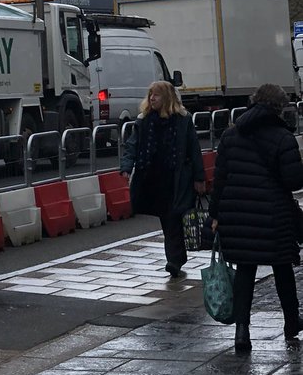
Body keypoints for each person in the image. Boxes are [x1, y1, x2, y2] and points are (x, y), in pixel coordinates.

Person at [209, 83, 303, 354]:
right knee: (283, 268)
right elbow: (293, 181)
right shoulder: (283, 138)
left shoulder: (231, 134)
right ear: (278, 107)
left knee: (245, 272)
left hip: (237, 215)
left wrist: (214, 214)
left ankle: (242, 332)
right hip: (274, 215)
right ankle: (291, 322)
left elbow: (221, 179)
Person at [120, 80, 206, 278]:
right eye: (150, 94)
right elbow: (132, 146)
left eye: (156, 95)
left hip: (178, 179)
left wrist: (199, 178)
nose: (152, 98)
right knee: (167, 219)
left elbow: (194, 150)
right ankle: (177, 257)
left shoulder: (183, 120)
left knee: (174, 218)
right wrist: (126, 167)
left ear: (166, 98)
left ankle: (174, 260)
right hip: (154, 178)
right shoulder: (144, 120)